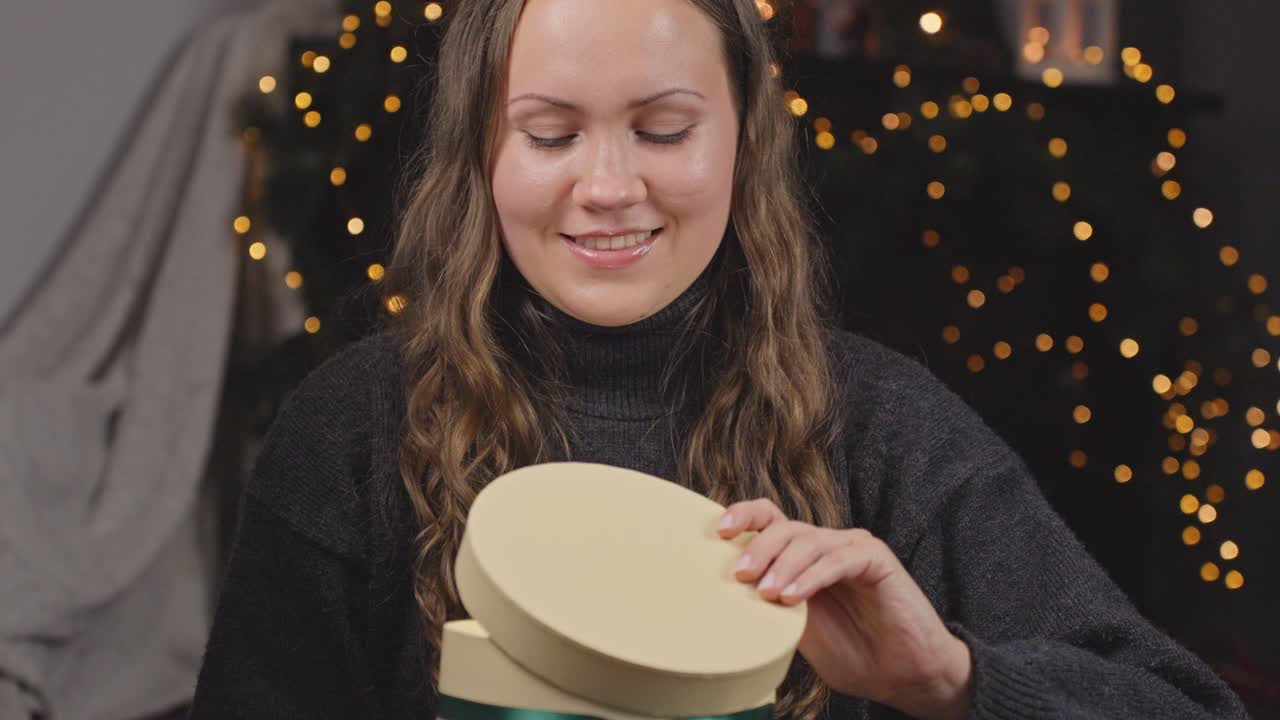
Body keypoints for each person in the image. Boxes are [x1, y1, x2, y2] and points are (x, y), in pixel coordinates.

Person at [188, 0, 1251, 718]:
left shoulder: (878, 423)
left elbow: (1185, 704)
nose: (606, 187)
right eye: (551, 134)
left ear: (743, 139)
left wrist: (951, 679)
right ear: (481, 153)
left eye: (661, 130)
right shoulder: (353, 427)